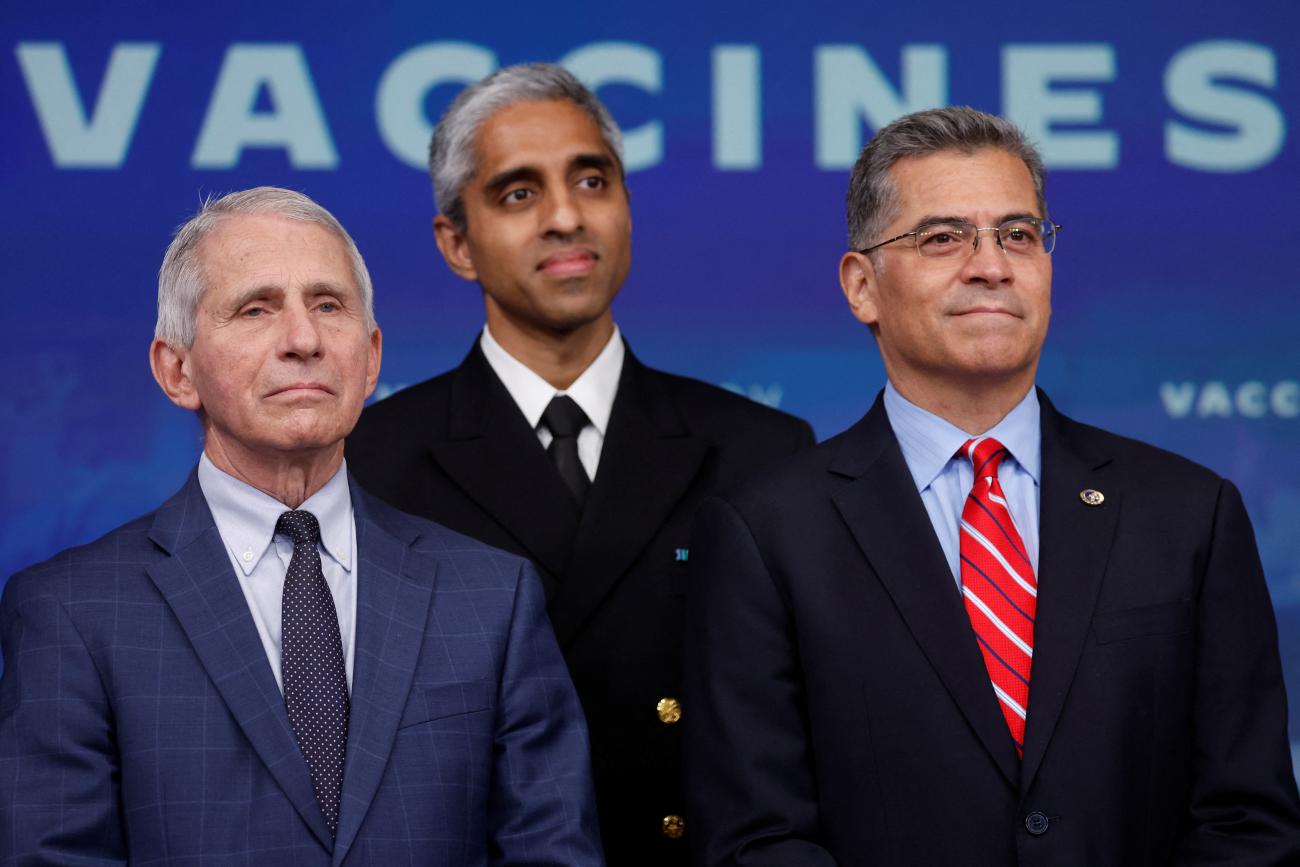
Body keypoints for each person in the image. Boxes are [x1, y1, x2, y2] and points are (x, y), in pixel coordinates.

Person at [683, 106, 1300, 866]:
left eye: (1018, 234)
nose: (991, 265)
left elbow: (1249, 824)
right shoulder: (766, 534)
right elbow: (757, 838)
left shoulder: (1188, 514)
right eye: (943, 237)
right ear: (861, 285)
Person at [0, 187, 603, 865]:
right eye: (256, 308)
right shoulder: (71, 611)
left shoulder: (492, 597)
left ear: (370, 358)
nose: (304, 339)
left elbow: (551, 851)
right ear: (177, 369)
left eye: (328, 305)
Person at [346, 64, 813, 865]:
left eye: (591, 180)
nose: (566, 216)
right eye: (519, 193)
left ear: (627, 205)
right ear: (456, 242)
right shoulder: (367, 460)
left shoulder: (763, 450)